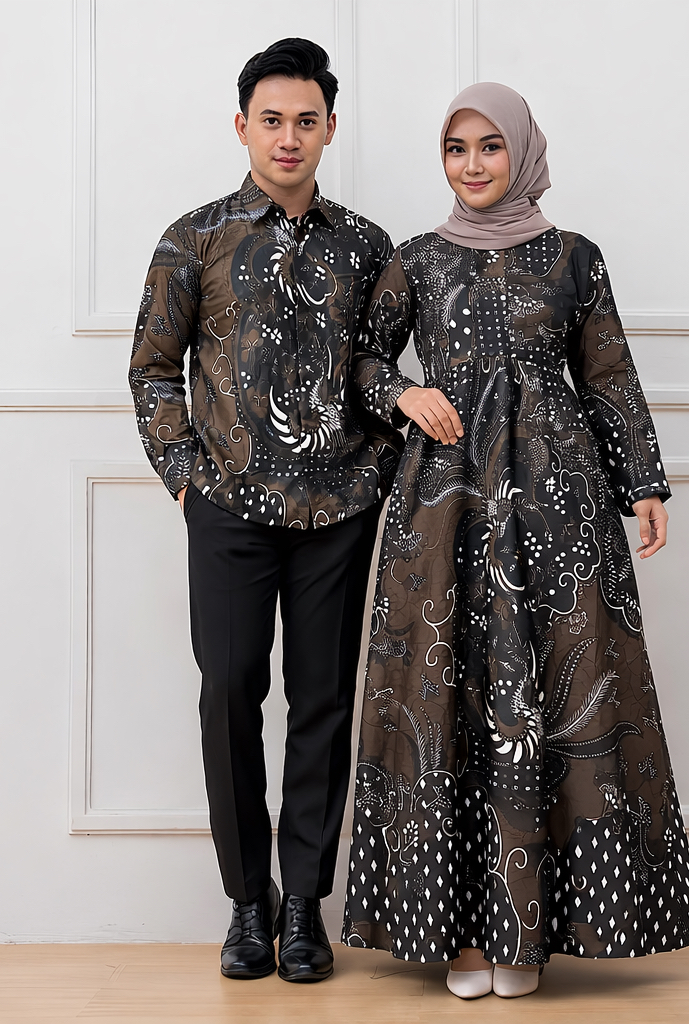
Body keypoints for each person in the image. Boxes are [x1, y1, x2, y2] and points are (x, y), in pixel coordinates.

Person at [342, 83, 689, 1000]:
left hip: (559, 507)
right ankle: (460, 937)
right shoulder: (416, 260)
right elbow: (363, 359)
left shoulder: (575, 257)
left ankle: (528, 936)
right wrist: (403, 391)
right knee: (451, 700)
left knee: (560, 693)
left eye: (489, 146)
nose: (471, 164)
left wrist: (643, 481)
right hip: (447, 510)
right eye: (455, 148)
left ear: (523, 152)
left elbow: (608, 372)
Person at [129, 38, 400, 984]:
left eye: (306, 121)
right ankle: (249, 902)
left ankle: (305, 909)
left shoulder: (367, 247)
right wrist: (184, 478)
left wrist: (377, 468)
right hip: (227, 510)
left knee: (322, 703)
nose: (289, 137)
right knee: (229, 696)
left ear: (331, 129)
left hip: (338, 512)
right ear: (242, 126)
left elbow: (377, 372)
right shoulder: (192, 239)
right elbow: (152, 370)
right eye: (272, 120)